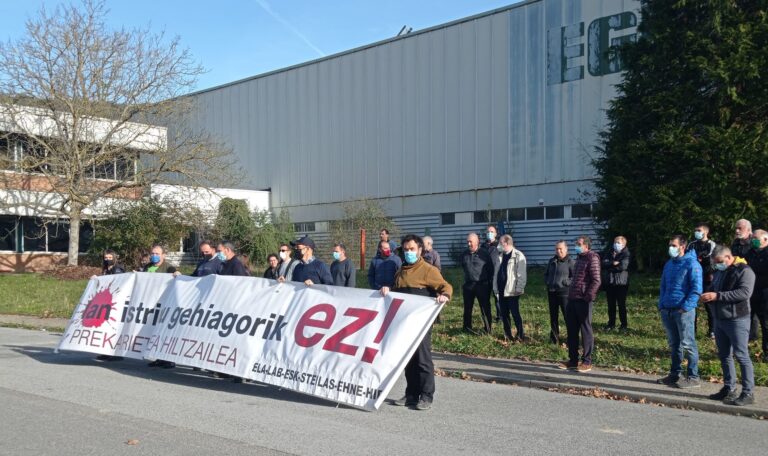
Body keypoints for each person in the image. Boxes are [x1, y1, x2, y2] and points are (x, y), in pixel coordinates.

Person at [381, 234, 452, 411]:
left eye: (412, 249)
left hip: (421, 323)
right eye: (406, 250)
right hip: (404, 323)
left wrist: (444, 295)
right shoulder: (401, 271)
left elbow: (446, 286)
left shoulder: (428, 270)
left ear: (420, 250)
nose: (408, 252)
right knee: (408, 360)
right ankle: (411, 394)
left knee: (423, 359)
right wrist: (387, 289)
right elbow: (395, 292)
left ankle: (426, 395)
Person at [701, 246, 756, 405]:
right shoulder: (720, 271)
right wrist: (707, 294)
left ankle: (748, 392)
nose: (717, 265)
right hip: (720, 319)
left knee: (741, 355)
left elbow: (744, 293)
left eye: (719, 262)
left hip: (737, 319)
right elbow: (714, 287)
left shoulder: (745, 271)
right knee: (724, 355)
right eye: (715, 263)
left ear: (728, 257)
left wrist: (717, 296)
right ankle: (729, 388)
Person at [656, 235, 702, 389]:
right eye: (670, 245)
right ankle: (675, 374)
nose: (671, 248)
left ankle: (693, 376)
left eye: (674, 245)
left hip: (683, 311)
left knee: (688, 343)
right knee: (674, 344)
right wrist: (661, 304)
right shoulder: (669, 264)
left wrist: (686, 307)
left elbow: (696, 289)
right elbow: (663, 286)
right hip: (667, 310)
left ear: (683, 246)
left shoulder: (692, 264)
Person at [558, 235, 601, 373]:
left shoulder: (592, 258)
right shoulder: (579, 259)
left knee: (585, 330)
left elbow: (596, 280)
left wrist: (588, 297)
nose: (576, 245)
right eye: (576, 243)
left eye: (579, 243)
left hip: (583, 300)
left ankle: (587, 361)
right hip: (572, 298)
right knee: (572, 330)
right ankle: (573, 360)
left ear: (586, 246)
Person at [94, 249, 125, 361]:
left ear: (114, 258)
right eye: (106, 258)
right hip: (106, 302)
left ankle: (116, 354)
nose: (107, 260)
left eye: (109, 258)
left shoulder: (118, 269)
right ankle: (106, 351)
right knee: (106, 328)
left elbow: (118, 283)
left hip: (116, 302)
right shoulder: (105, 269)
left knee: (114, 328)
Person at [686, 223, 717, 337]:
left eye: (699, 230)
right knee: (692, 304)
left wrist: (699, 258)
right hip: (693, 278)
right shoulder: (692, 244)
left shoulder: (712, 244)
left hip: (707, 278)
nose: (696, 232)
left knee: (709, 304)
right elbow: (688, 258)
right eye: (695, 230)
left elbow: (709, 258)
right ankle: (692, 331)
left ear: (706, 232)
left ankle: (712, 330)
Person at [461, 233, 494, 334]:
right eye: (468, 242)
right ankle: (467, 328)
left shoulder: (484, 254)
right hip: (468, 285)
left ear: (477, 242)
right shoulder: (464, 254)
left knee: (485, 308)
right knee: (467, 308)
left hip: (482, 285)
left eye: (471, 242)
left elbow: (491, 269)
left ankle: (487, 329)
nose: (469, 244)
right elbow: (463, 267)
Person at [496, 235, 527, 341]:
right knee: (504, 314)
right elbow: (496, 273)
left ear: (506, 243)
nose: (498, 244)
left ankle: (520, 335)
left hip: (512, 290)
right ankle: (507, 334)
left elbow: (521, 274)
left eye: (500, 242)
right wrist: (495, 287)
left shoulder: (518, 255)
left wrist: (519, 288)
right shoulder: (500, 256)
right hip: (501, 289)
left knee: (515, 313)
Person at [544, 241, 575, 344]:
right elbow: (546, 274)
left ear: (566, 249)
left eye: (560, 249)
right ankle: (554, 338)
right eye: (557, 249)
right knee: (553, 316)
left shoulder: (570, 262)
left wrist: (567, 282)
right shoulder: (552, 261)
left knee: (567, 316)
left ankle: (571, 339)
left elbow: (574, 277)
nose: (558, 251)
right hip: (552, 291)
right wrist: (548, 282)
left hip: (564, 292)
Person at [745, 230, 768, 361]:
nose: (753, 240)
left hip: (765, 293)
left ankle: (767, 351)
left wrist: (752, 268)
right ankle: (744, 348)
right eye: (752, 238)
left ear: (765, 240)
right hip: (750, 292)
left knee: (765, 323)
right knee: (746, 320)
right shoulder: (751, 252)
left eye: (756, 238)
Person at [602, 236, 631, 331]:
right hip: (610, 282)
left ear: (624, 244)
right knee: (611, 305)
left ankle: (623, 325)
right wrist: (612, 263)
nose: (616, 244)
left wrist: (610, 266)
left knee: (621, 305)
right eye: (615, 242)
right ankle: (611, 324)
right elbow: (603, 263)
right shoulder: (609, 252)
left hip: (621, 283)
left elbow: (623, 266)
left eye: (618, 242)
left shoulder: (626, 253)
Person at [483, 224, 502, 321]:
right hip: (485, 276)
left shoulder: (499, 246)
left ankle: (500, 316)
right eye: (488, 232)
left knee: (497, 296)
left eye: (492, 232)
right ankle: (487, 316)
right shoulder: (482, 246)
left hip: (496, 275)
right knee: (485, 298)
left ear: (496, 234)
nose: (489, 233)